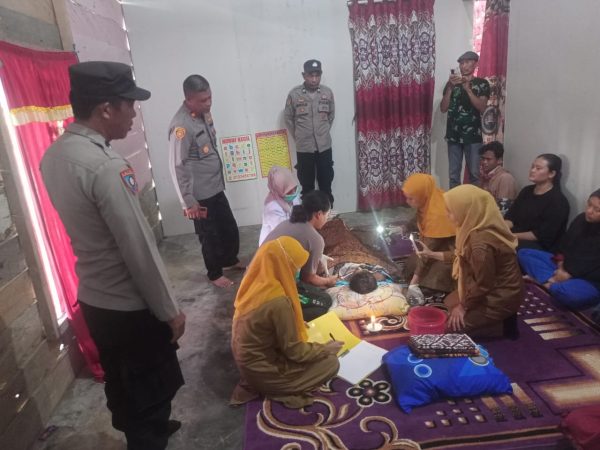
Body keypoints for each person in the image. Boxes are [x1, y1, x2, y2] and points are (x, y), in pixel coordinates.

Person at [40, 61, 185, 450]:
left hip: (95, 299)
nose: (134, 114)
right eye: (129, 105)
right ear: (106, 108)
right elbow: (138, 248)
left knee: (121, 382)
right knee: (150, 387)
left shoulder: (54, 156)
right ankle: (148, 437)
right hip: (129, 305)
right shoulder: (106, 167)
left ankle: (146, 430)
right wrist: (169, 310)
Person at [230, 236, 342, 409]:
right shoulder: (278, 302)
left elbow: (263, 325)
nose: (297, 272)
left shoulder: (255, 281)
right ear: (283, 265)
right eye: (295, 267)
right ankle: (281, 388)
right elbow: (295, 352)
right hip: (263, 371)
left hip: (248, 362)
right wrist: (326, 348)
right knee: (331, 363)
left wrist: (294, 322)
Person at [168, 74, 242, 288]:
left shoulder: (204, 114)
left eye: (210, 97)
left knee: (228, 227)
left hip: (215, 186)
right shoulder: (181, 126)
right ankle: (214, 273)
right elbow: (177, 165)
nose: (208, 103)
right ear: (188, 99)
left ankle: (229, 260)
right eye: (203, 100)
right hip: (199, 194)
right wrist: (188, 202)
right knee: (209, 235)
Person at [443, 185, 523, 338]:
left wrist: (463, 307)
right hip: (494, 287)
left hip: (501, 296)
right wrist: (431, 254)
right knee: (449, 303)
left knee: (450, 328)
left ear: (467, 211)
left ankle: (503, 327)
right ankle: (496, 321)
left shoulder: (479, 245)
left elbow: (483, 284)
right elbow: (461, 257)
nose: (446, 215)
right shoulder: (477, 224)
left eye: (450, 211)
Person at [518, 189, 600, 309]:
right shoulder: (581, 219)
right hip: (563, 267)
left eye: (597, 210)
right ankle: (550, 282)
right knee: (524, 253)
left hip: (588, 280)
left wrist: (568, 274)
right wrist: (561, 266)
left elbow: (593, 266)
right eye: (589, 204)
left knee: (564, 292)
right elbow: (563, 246)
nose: (589, 211)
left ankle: (546, 283)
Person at [263, 190, 337, 321]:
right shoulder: (315, 238)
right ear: (319, 214)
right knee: (324, 301)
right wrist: (328, 281)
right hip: (272, 292)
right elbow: (307, 278)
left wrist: (319, 255)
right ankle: (280, 319)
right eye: (327, 214)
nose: (327, 218)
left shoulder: (286, 223)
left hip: (256, 281)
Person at [284, 59, 335, 205]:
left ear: (320, 75)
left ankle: (328, 214)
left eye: (317, 75)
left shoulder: (327, 93)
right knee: (307, 188)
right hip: (304, 148)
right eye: (310, 75)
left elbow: (331, 116)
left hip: (324, 147)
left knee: (326, 184)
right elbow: (288, 119)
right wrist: (300, 136)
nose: (314, 79)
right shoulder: (294, 94)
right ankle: (308, 217)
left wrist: (322, 134)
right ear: (304, 75)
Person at [401, 174, 456, 299]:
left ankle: (433, 287)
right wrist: (406, 226)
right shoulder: (431, 197)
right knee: (412, 262)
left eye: (411, 199)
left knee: (436, 272)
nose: (407, 202)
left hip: (453, 254)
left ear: (422, 195)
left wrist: (414, 282)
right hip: (435, 247)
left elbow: (428, 251)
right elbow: (420, 216)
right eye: (407, 198)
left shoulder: (437, 215)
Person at [440, 51, 490, 188]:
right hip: (453, 135)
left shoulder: (482, 83)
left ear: (475, 64)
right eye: (462, 63)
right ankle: (455, 201)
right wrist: (450, 87)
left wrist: (468, 90)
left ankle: (474, 201)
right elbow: (443, 108)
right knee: (453, 175)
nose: (464, 66)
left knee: (474, 174)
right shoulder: (451, 84)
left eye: (467, 62)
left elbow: (482, 108)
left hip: (473, 136)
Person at [505, 153, 570, 251]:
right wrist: (501, 230)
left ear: (551, 174)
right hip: (514, 236)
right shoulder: (526, 191)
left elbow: (540, 235)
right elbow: (511, 217)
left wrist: (509, 236)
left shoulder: (558, 202)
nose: (532, 170)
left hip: (537, 246)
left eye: (538, 168)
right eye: (532, 167)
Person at [258, 165, 300, 245]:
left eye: (294, 188)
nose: (294, 193)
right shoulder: (272, 207)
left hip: (288, 238)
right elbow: (283, 232)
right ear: (278, 189)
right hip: (273, 245)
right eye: (288, 191)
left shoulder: (292, 196)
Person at [479, 141, 519, 212]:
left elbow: (503, 210)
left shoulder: (506, 178)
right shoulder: (485, 175)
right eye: (483, 158)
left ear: (499, 160)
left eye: (488, 159)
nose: (484, 162)